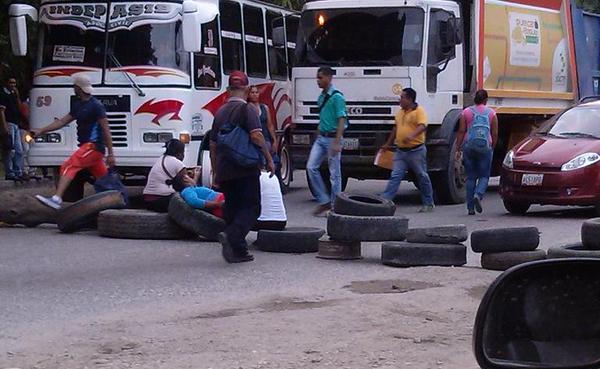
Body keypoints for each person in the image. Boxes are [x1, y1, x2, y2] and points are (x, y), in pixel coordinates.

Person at [209, 71, 275, 264]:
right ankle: (231, 236)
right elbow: (256, 136)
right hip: (245, 168)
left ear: (228, 90)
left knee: (233, 208)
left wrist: (215, 171)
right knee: (252, 208)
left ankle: (238, 251)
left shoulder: (219, 112)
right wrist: (269, 158)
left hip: (225, 169)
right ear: (246, 89)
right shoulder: (248, 110)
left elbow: (213, 145)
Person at [33, 74, 115, 209]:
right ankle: (115, 200)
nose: (73, 88)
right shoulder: (78, 105)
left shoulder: (96, 106)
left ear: (78, 88)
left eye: (74, 86)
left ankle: (56, 199)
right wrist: (41, 130)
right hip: (87, 147)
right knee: (104, 180)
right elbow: (62, 122)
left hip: (93, 147)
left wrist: (111, 154)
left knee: (68, 166)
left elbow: (106, 130)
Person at [381, 88, 435, 212]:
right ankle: (385, 201)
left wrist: (412, 135)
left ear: (410, 99)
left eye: (402, 97)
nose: (400, 100)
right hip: (401, 151)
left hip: (416, 150)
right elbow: (396, 129)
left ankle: (428, 202)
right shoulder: (400, 113)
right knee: (395, 176)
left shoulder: (419, 111)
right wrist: (388, 143)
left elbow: (422, 126)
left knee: (422, 175)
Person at [306, 66, 347, 215]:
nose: (318, 81)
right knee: (311, 167)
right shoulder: (322, 97)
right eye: (317, 77)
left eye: (320, 77)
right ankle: (324, 201)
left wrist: (337, 141)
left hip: (332, 138)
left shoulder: (337, 97)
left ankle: (336, 206)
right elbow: (323, 117)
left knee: (334, 174)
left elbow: (342, 119)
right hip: (322, 137)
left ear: (329, 78)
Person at [455, 89, 498, 215]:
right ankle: (478, 195)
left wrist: (458, 147)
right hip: (485, 147)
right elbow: (494, 133)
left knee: (471, 177)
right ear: (485, 100)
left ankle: (470, 208)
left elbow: (462, 131)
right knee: (484, 175)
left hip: (469, 147)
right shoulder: (491, 113)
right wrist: (492, 146)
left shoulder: (466, 112)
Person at [143, 139, 189, 213]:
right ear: (180, 153)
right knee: (189, 197)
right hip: (162, 200)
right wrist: (197, 175)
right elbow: (188, 185)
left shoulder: (161, 159)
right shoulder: (178, 163)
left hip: (148, 201)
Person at [0, 76, 25, 181]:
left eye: (14, 83)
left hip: (16, 123)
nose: (13, 85)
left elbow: (19, 107)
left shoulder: (13, 94)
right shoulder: (3, 94)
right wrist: (4, 125)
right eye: (11, 82)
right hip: (9, 122)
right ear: (6, 83)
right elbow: (1, 111)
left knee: (19, 150)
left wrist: (17, 95)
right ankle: (9, 172)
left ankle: (18, 171)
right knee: (10, 149)